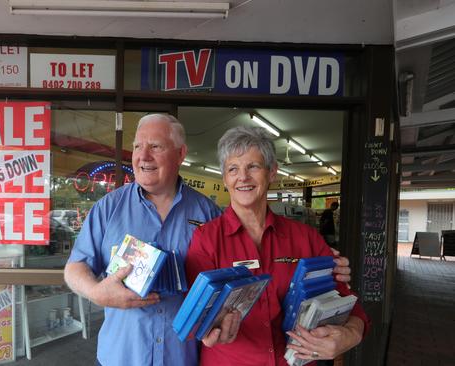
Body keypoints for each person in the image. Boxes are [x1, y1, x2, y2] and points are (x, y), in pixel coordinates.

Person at [64, 115, 355, 366]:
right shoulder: (109, 208)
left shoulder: (208, 215)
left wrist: (322, 263)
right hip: (122, 355)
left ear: (180, 153)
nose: (143, 156)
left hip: (183, 357)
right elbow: (75, 267)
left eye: (155, 146)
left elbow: (245, 255)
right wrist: (97, 293)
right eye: (138, 146)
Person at [185, 126, 369, 366]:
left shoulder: (306, 237)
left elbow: (345, 298)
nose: (243, 177)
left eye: (253, 166)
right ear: (225, 178)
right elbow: (193, 313)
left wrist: (351, 334)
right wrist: (207, 330)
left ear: (272, 172)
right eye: (233, 169)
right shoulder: (206, 239)